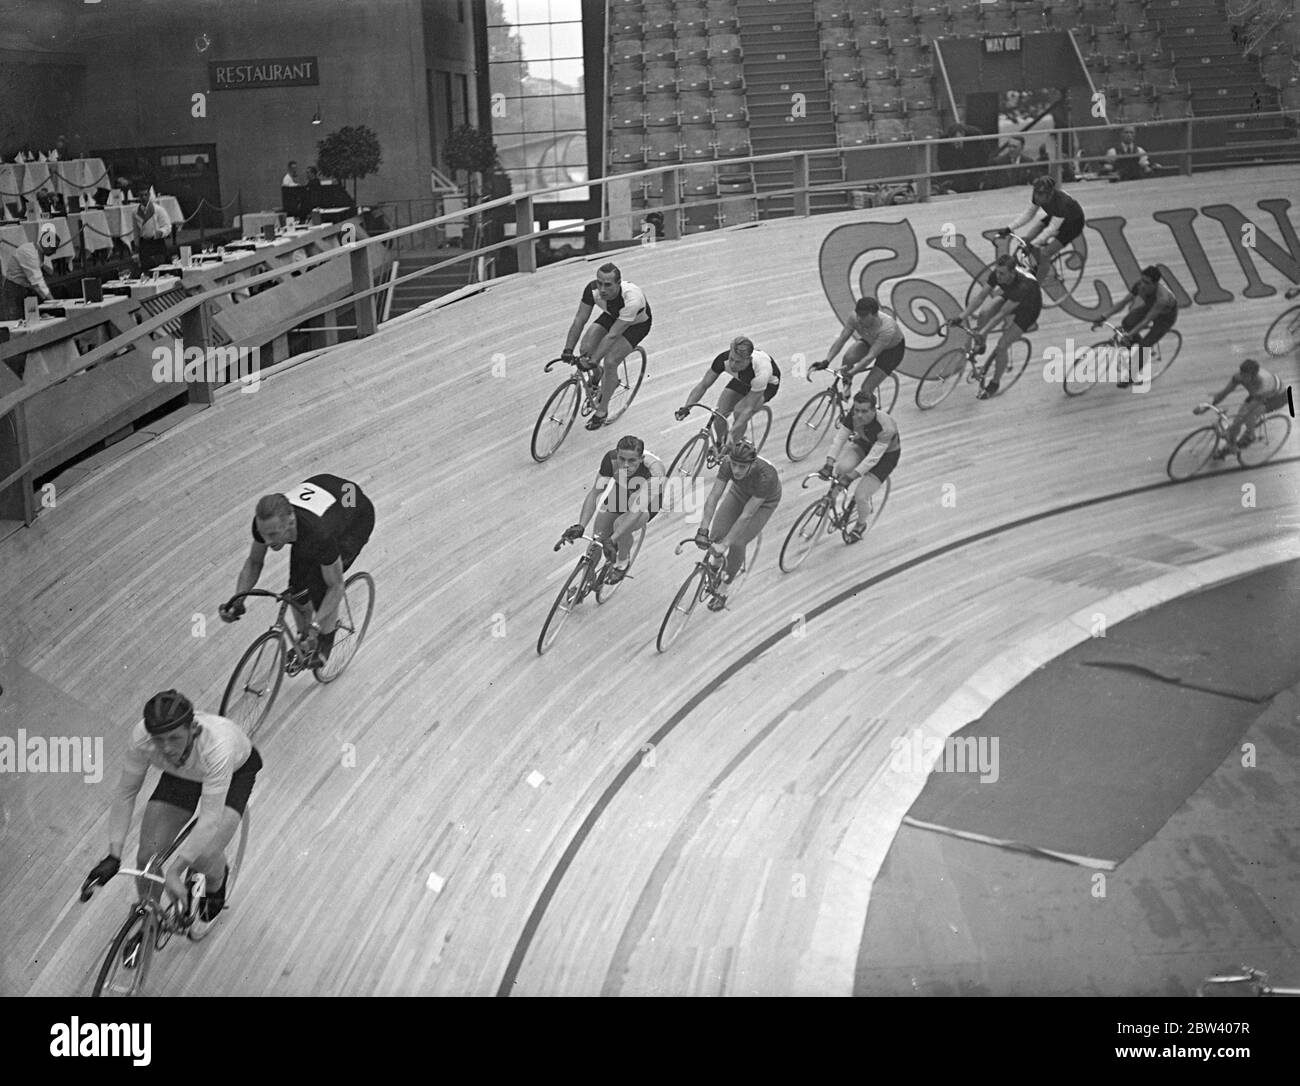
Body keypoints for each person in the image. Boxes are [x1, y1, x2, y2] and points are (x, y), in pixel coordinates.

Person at [82, 690, 262, 942]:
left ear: (193, 729)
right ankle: (149, 918)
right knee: (147, 857)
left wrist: (176, 871)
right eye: (159, 740)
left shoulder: (216, 747)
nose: (166, 748)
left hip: (233, 773)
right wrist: (114, 853)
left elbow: (209, 819)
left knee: (203, 854)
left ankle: (218, 877)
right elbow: (126, 793)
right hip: (183, 774)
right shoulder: (142, 738)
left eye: (174, 738)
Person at [220, 474, 376, 667]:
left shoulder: (319, 534)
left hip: (355, 517)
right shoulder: (266, 524)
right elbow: (253, 562)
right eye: (263, 535)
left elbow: (336, 587)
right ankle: (305, 642)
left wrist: (316, 626)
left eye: (273, 535)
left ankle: (324, 646)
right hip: (334, 491)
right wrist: (238, 600)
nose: (267, 542)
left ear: (291, 522)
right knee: (297, 588)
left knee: (321, 587)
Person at [560, 434, 665, 583]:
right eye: (622, 459)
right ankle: (584, 584)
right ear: (617, 454)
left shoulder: (655, 472)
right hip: (623, 489)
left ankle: (622, 562)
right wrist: (581, 525)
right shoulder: (611, 460)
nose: (626, 465)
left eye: (632, 460)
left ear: (641, 459)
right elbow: (595, 492)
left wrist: (613, 539)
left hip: (647, 501)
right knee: (597, 538)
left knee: (619, 526)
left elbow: (636, 510)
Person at [561, 263, 652, 430]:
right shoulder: (592, 290)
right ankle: (598, 375)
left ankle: (602, 411)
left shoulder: (632, 299)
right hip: (613, 315)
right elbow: (579, 320)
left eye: (608, 285)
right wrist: (568, 349)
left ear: (618, 283)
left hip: (636, 324)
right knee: (585, 349)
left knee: (610, 361)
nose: (602, 289)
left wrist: (594, 360)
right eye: (599, 283)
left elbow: (612, 335)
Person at [695, 439, 781, 611]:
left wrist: (725, 544)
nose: (736, 470)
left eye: (742, 467)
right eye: (734, 465)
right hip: (740, 492)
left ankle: (725, 587)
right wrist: (702, 530)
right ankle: (717, 562)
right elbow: (713, 497)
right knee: (716, 534)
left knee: (736, 542)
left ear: (752, 464)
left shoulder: (766, 477)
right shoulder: (727, 463)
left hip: (764, 502)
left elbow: (746, 515)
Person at [951, 253, 1043, 400]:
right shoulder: (999, 274)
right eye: (997, 272)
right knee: (984, 312)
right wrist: (961, 316)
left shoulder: (1023, 286)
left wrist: (982, 331)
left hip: (1029, 308)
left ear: (1012, 273)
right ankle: (981, 345)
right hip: (1012, 296)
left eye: (1002, 274)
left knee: (1002, 345)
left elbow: (1000, 315)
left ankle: (995, 383)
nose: (998, 276)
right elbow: (981, 297)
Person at [817, 387, 900, 543]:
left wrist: (851, 477)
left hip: (885, 458)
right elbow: (840, 439)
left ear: (874, 410)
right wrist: (829, 463)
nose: (859, 415)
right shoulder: (853, 415)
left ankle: (860, 525)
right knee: (841, 468)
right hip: (864, 444)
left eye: (864, 411)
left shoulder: (886, 427)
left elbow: (873, 458)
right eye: (857, 410)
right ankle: (830, 498)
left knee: (861, 496)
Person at [675, 335, 781, 449]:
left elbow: (748, 408)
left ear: (749, 360)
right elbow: (703, 385)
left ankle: (733, 448)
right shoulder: (723, 360)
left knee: (740, 411)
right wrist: (687, 407)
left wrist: (733, 432)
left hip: (766, 386)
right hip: (743, 379)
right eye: (731, 359)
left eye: (738, 362)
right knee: (720, 413)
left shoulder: (762, 371)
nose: (733, 365)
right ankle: (720, 444)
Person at [1091, 265, 1180, 388]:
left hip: (1165, 317)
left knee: (1144, 346)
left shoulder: (1162, 299)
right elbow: (1123, 303)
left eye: (1146, 282)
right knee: (1127, 322)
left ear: (1155, 284)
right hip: (1150, 307)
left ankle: (1132, 375)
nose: (1142, 284)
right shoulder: (1139, 286)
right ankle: (1135, 344)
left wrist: (1130, 334)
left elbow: (1146, 320)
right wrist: (1104, 316)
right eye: (1142, 280)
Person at [813, 296, 906, 402]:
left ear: (875, 315)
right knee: (848, 357)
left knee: (865, 390)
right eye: (858, 315)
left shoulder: (887, 328)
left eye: (863, 316)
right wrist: (827, 360)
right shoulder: (855, 317)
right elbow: (842, 338)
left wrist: (851, 373)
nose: (859, 319)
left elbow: (869, 357)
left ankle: (871, 416)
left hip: (891, 351)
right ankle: (846, 391)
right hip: (871, 340)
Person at [1000, 175, 1085, 287]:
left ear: (1050, 194)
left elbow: (1051, 229)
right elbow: (1029, 214)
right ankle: (1034, 265)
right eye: (1036, 193)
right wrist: (1009, 228)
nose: (1037, 197)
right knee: (1027, 239)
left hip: (1073, 223)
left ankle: (1035, 288)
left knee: (1045, 253)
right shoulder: (1038, 196)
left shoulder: (1062, 202)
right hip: (1055, 216)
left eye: (1041, 194)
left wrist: (1035, 243)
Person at [1195, 357, 1288, 453]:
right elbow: (1224, 393)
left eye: (1245, 376)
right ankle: (1231, 444)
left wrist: (1232, 428)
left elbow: (1250, 410)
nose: (1241, 377)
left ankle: (1250, 436)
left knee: (1249, 414)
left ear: (1253, 376)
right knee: (1240, 417)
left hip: (1277, 398)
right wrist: (1208, 406)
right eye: (1241, 373)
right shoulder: (1238, 376)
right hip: (1257, 393)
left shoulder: (1264, 385)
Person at [0, 230, 58, 320]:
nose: (54, 253)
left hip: (24, 289)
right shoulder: (30, 254)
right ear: (48, 246)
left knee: (31, 320)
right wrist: (54, 302)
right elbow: (38, 284)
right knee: (15, 323)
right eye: (53, 249)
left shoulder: (37, 251)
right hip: (14, 290)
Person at [134, 190, 172, 272]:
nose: (143, 197)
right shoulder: (135, 212)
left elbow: (167, 226)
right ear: (138, 196)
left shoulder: (158, 209)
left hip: (157, 242)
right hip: (144, 244)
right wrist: (136, 246)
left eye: (145, 195)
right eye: (141, 195)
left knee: (161, 269)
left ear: (149, 195)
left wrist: (160, 233)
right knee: (146, 269)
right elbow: (136, 231)